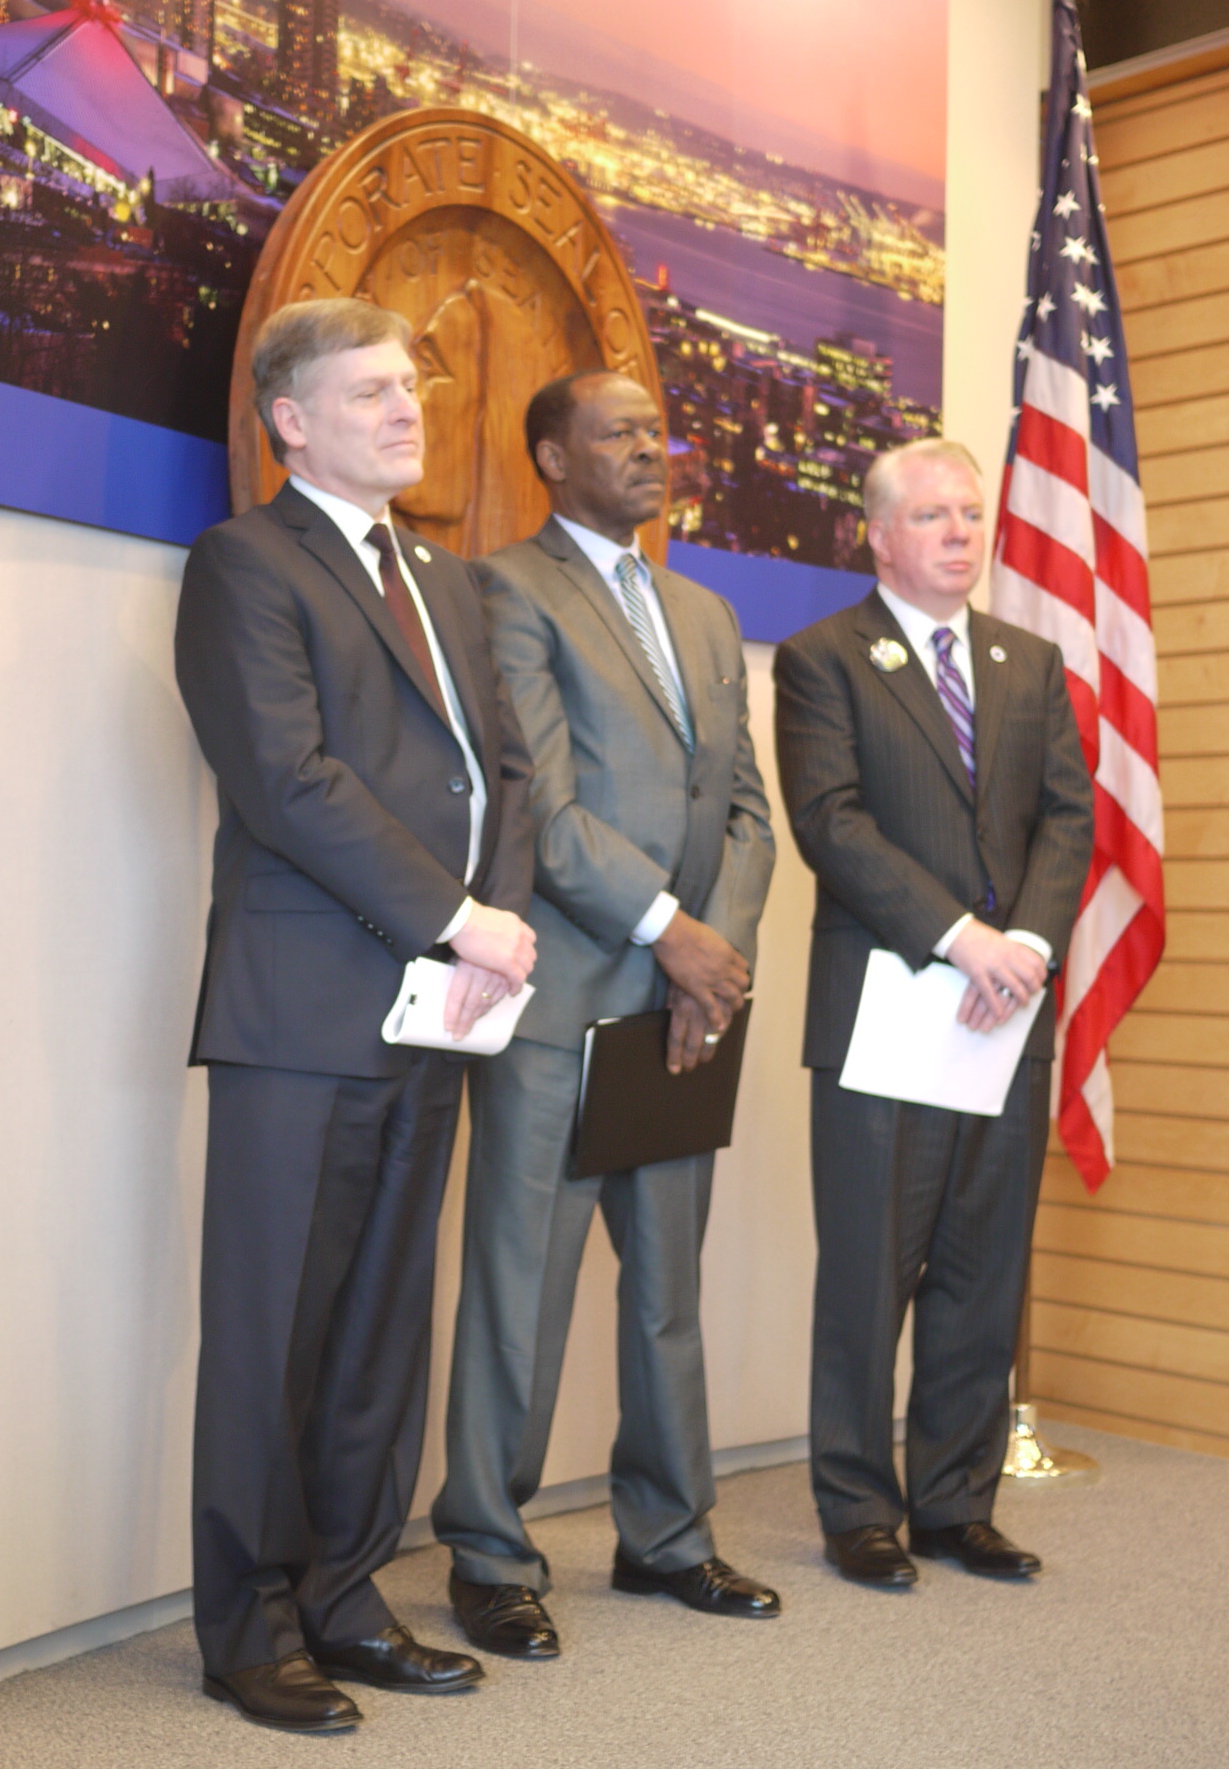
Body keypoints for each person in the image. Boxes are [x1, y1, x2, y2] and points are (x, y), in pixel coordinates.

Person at [172, 297, 537, 1733]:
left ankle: (345, 1597)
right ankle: (248, 1627)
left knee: (385, 1321)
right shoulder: (244, 564)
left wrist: (487, 941)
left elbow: (501, 775)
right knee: (275, 1331)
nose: (407, 407)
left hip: (438, 1003)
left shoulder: (449, 582)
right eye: (372, 389)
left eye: (411, 386)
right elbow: (285, 775)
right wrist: (459, 919)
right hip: (301, 1008)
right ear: (292, 420)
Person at [430, 371, 780, 1659]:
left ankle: (667, 1537)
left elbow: (746, 804)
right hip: (562, 997)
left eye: (656, 429)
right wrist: (667, 932)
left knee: (666, 1288)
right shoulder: (505, 589)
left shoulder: (700, 608)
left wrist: (714, 956)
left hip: (686, 1001)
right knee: (520, 1286)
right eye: (619, 432)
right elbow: (541, 807)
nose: (651, 447)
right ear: (550, 454)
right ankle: (486, 1549)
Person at [772, 438, 1091, 1592]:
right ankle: (858, 1507)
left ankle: (956, 1501)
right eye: (932, 515)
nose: (959, 532)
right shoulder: (823, 659)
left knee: (980, 1266)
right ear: (877, 533)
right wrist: (964, 939)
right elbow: (831, 822)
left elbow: (1067, 817)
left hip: (1006, 1013)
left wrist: (1031, 951)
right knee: (868, 1273)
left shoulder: (1028, 659)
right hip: (890, 1009)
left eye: (969, 513)